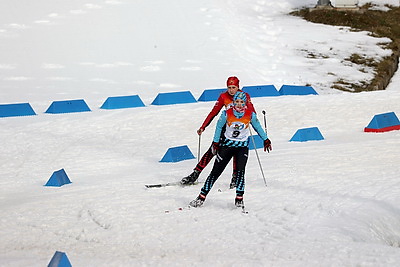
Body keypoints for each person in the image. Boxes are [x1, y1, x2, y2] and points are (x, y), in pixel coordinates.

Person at [189, 91, 272, 208]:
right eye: (237, 102)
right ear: (233, 102)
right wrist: (216, 142)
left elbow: (257, 127)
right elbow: (218, 127)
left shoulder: (250, 115)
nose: (239, 105)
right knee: (215, 173)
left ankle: (239, 199)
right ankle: (201, 197)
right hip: (226, 146)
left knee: (240, 173)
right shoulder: (226, 114)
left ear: (245, 103)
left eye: (242, 102)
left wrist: (266, 139)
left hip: (242, 148)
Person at [180, 76, 255, 188]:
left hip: (240, 128)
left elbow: (252, 111)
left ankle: (235, 178)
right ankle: (195, 173)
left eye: (233, 87)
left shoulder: (244, 96)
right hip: (226, 128)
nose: (231, 90)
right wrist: (203, 126)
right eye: (229, 87)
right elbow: (213, 112)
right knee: (212, 150)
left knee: (237, 152)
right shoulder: (223, 96)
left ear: (238, 87)